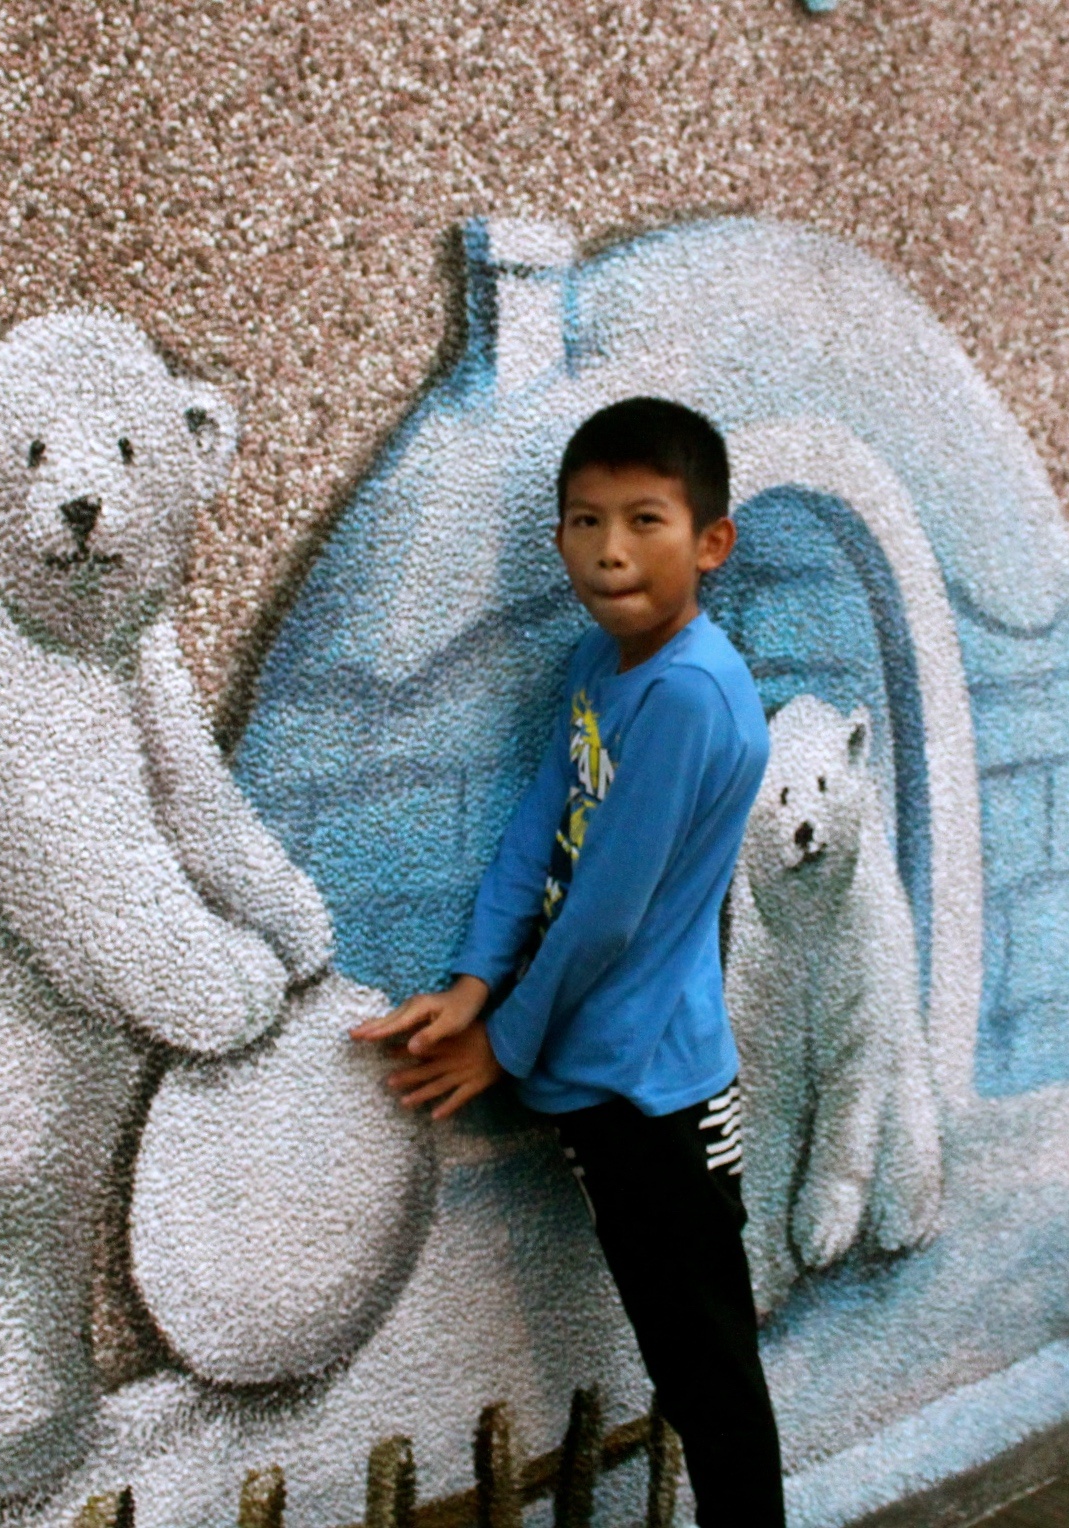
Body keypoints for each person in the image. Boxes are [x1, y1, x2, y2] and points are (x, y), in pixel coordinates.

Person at [351, 396, 785, 1526]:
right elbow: (543, 822)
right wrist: (471, 979)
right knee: (679, 1353)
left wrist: (502, 1040)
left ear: (710, 542)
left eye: (645, 518)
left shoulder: (688, 692)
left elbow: (605, 913)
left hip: (658, 1094)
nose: (609, 549)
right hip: (595, 1073)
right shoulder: (604, 661)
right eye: (584, 521)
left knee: (707, 1374)